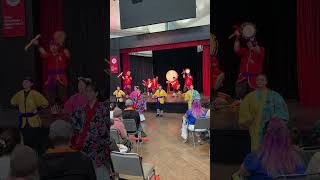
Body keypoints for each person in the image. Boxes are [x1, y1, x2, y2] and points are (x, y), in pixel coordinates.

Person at [234, 118, 305, 180]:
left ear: (265, 137)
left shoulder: (254, 158)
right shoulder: (298, 159)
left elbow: (239, 176)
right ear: (287, 138)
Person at [70, 83, 111, 180]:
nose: (87, 93)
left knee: (100, 174)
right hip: (84, 147)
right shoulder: (81, 110)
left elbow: (107, 127)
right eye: (86, 91)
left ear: (96, 93)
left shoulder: (103, 108)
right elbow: (75, 125)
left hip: (98, 148)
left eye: (90, 91)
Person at [239, 74, 289, 151]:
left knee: (270, 151)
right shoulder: (250, 96)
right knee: (257, 150)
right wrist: (248, 119)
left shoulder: (274, 95)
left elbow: (282, 110)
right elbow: (244, 110)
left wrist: (274, 120)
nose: (260, 82)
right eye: (258, 80)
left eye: (262, 80)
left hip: (270, 129)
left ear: (266, 82)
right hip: (256, 128)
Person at [31, 32, 70, 106]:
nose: (53, 47)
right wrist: (37, 44)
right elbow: (43, 52)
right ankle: (53, 111)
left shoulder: (62, 54)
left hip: (62, 78)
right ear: (49, 47)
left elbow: (68, 55)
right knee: (50, 96)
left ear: (58, 47)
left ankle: (62, 111)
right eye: (52, 46)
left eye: (55, 46)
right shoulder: (49, 55)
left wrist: (64, 48)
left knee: (62, 97)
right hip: (51, 78)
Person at [10, 77, 49, 153]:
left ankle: (37, 156)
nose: (25, 83)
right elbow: (12, 102)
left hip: (33, 121)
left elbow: (45, 103)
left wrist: (37, 109)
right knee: (25, 141)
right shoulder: (19, 93)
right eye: (24, 82)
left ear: (31, 84)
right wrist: (20, 107)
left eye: (27, 82)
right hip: (24, 122)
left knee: (35, 141)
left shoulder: (35, 93)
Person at [233, 29, 265, 100]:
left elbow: (258, 51)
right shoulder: (245, 51)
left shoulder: (261, 50)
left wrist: (253, 41)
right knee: (241, 98)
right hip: (243, 79)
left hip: (255, 80)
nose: (248, 43)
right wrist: (237, 37)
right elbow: (236, 49)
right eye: (247, 42)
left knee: (255, 99)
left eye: (250, 41)